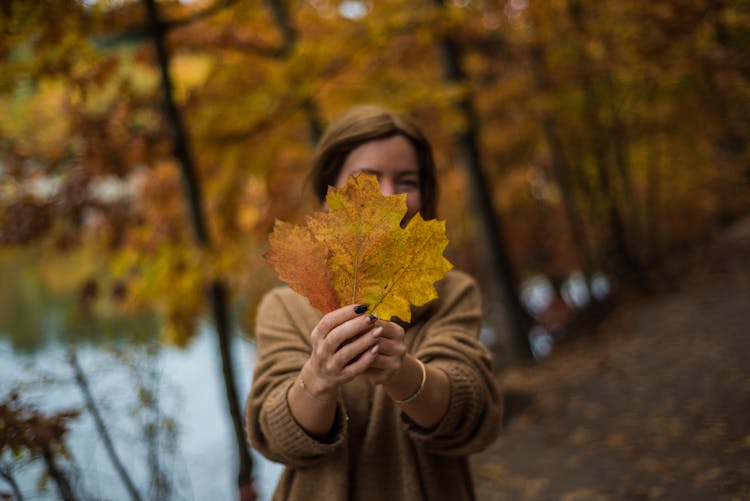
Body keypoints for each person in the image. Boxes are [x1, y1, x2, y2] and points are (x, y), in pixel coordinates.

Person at [245, 105, 502, 501]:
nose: (386, 196)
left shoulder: (453, 292)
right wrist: (320, 375)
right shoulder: (285, 305)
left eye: (407, 180)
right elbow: (275, 438)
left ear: (425, 193)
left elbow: (474, 416)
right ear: (329, 192)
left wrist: (401, 371)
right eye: (366, 179)